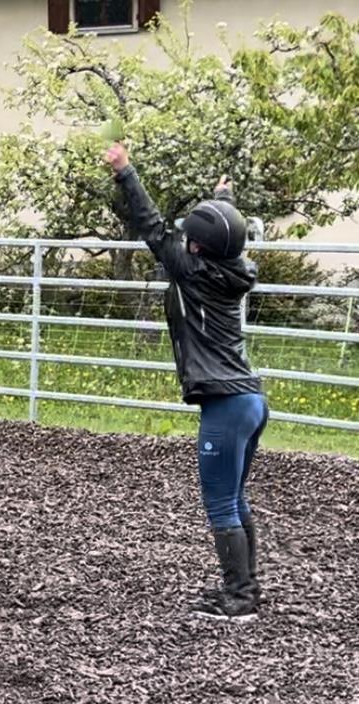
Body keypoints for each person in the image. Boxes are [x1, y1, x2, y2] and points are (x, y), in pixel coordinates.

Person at [104, 142, 269, 621]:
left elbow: (153, 228)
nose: (184, 240)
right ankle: (247, 590)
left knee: (221, 503)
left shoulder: (193, 271)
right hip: (249, 400)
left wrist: (125, 171)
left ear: (198, 246)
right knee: (236, 498)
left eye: (190, 236)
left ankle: (238, 600)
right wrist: (225, 197)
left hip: (225, 404)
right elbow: (224, 230)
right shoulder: (231, 267)